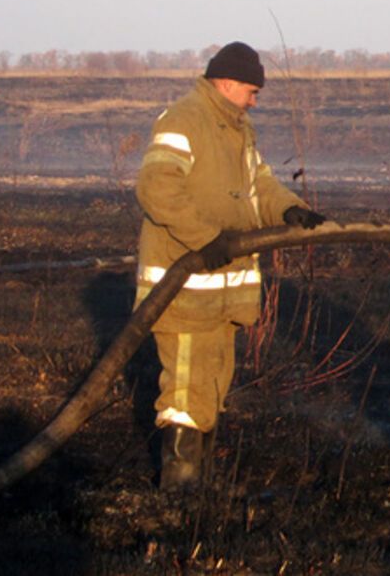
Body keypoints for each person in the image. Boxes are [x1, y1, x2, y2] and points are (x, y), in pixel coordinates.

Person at [134, 42, 325, 491]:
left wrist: (290, 211)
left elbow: (259, 184)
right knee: (184, 393)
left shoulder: (238, 131)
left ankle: (200, 491)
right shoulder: (183, 121)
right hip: (182, 292)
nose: (255, 101)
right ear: (226, 84)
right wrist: (206, 241)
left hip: (221, 296)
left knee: (211, 390)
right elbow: (157, 188)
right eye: (252, 91)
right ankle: (179, 496)